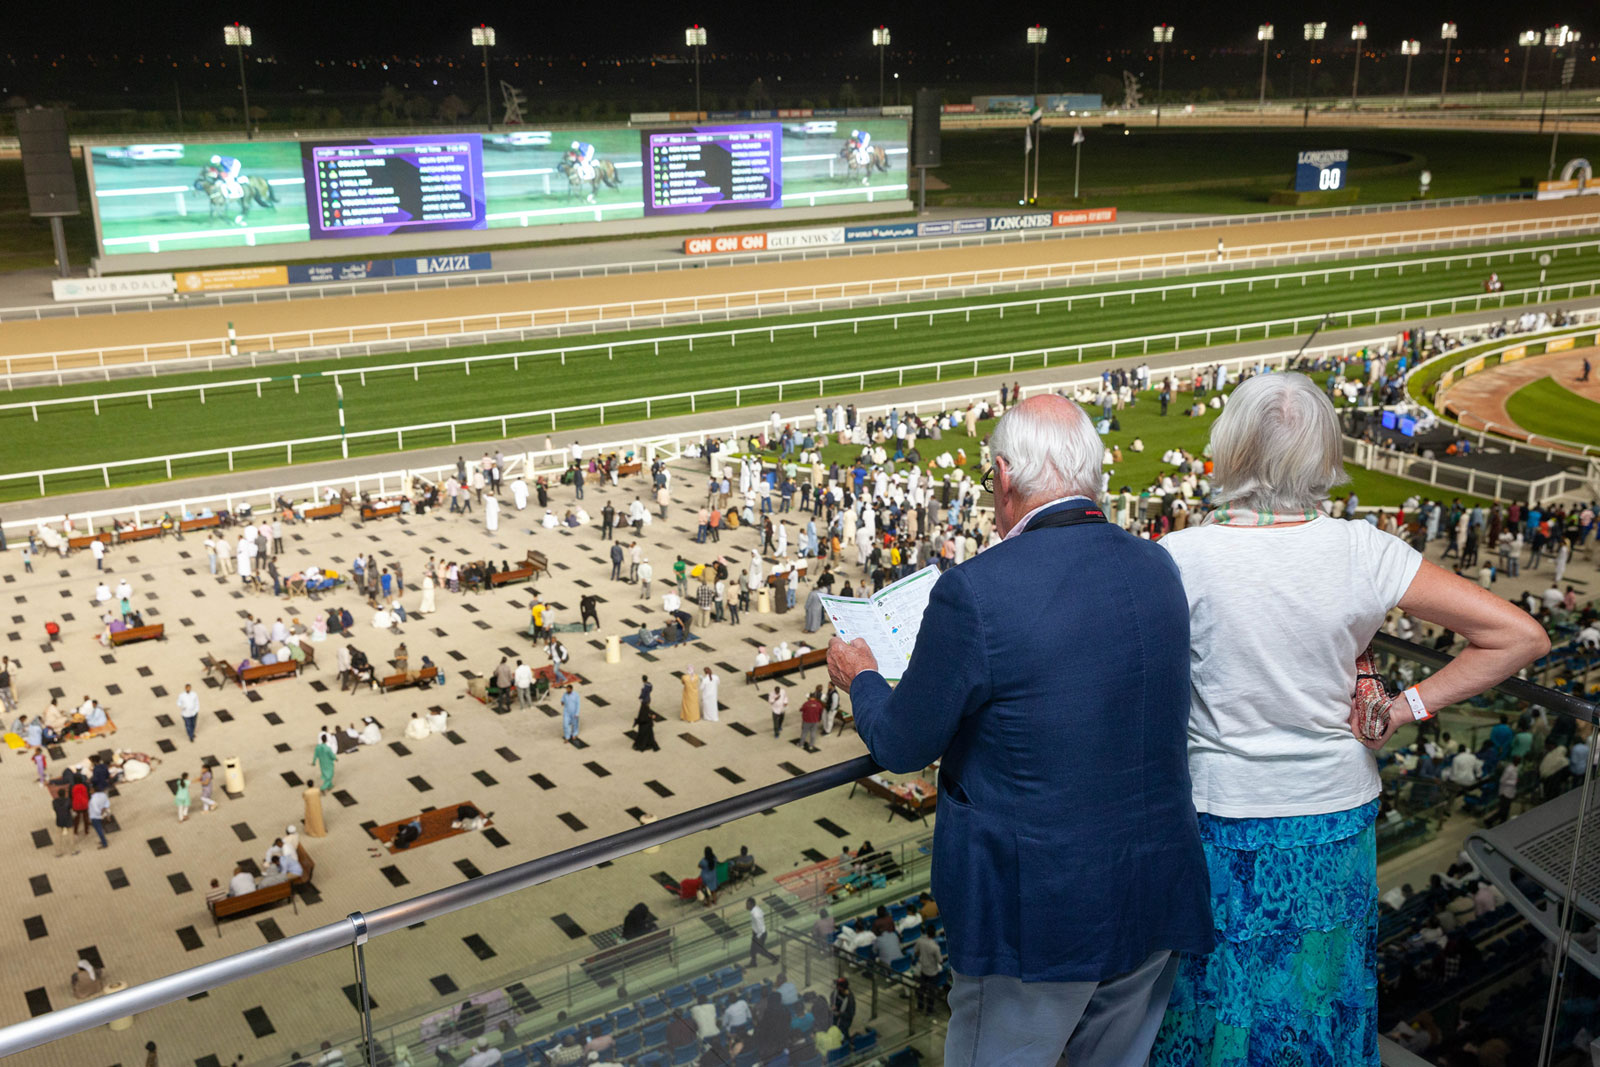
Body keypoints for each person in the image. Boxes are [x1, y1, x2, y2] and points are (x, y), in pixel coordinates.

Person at [1148, 374, 1549, 1064]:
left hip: (1217, 817)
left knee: (1214, 1001)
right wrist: (1405, 707)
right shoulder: (1362, 548)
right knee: (1318, 1000)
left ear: (1230, 450)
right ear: (1323, 453)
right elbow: (1520, 635)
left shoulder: (1179, 558)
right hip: (1333, 815)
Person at [827, 394, 1211, 1066]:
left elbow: (902, 742)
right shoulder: (1158, 567)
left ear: (1004, 476)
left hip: (1037, 918)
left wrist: (861, 676)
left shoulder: (976, 589)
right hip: (1154, 895)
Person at [747, 897, 779, 965]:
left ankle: (774, 958)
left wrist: (758, 937)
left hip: (760, 934)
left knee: (760, 950)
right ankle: (753, 962)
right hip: (757, 933)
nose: (746, 906)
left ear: (752, 904)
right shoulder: (756, 909)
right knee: (753, 949)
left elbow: (760, 927)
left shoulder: (756, 915)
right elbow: (762, 914)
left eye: (748, 904)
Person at [633, 676, 660, 751]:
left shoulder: (644, 687)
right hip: (648, 698)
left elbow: (643, 694)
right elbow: (650, 690)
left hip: (645, 700)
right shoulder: (649, 685)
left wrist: (640, 697)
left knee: (645, 709)